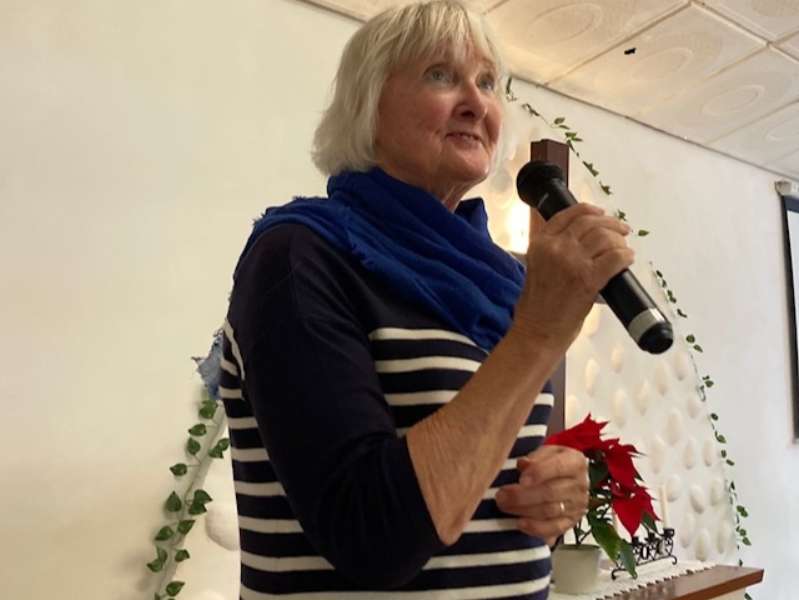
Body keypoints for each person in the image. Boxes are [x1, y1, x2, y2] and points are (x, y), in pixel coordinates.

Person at [218, 1, 634, 598]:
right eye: (441, 75)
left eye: (487, 82)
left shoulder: (501, 283)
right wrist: (540, 335)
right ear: (368, 105)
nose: (476, 103)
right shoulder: (299, 256)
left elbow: (479, 480)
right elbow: (371, 538)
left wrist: (555, 493)